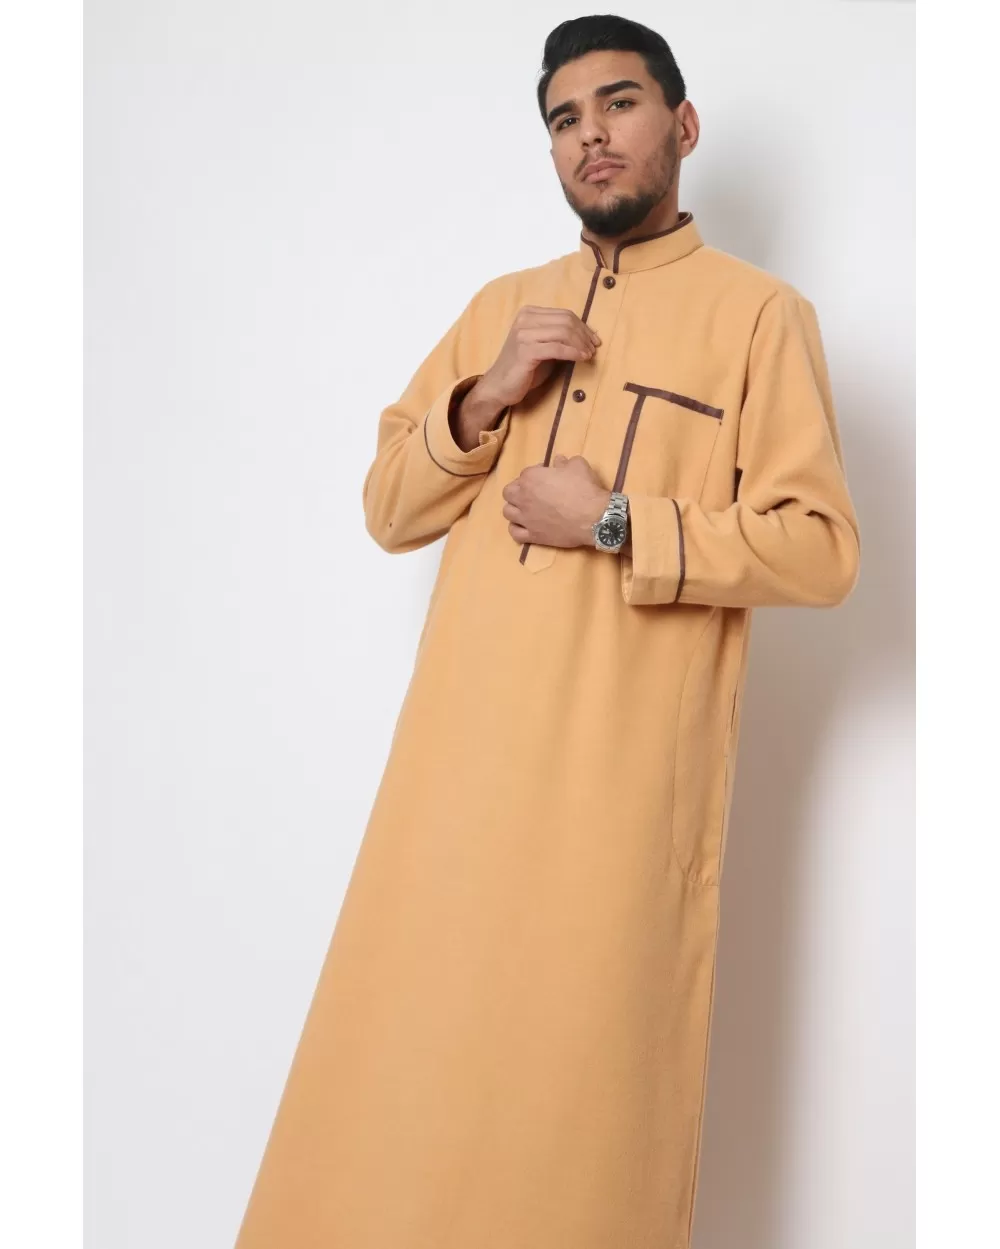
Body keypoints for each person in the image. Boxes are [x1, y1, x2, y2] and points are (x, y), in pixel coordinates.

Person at [234, 14, 860, 1249]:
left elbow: (819, 548)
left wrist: (617, 520)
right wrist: (483, 397)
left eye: (619, 104)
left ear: (682, 125)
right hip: (452, 786)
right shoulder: (500, 310)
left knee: (579, 1120)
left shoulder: (758, 317)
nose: (592, 137)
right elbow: (388, 508)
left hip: (615, 797)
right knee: (396, 1085)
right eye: (565, 120)